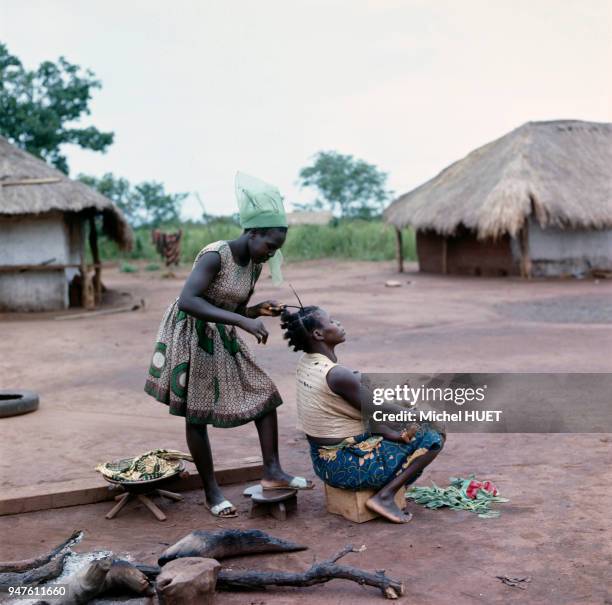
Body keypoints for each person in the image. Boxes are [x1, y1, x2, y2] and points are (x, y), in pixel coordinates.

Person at [145, 172, 312, 518]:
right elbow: (189, 300)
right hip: (190, 335)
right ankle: (212, 492)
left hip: (220, 332)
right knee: (197, 414)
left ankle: (273, 471)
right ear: (252, 234)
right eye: (268, 246)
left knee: (264, 394)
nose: (270, 255)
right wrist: (242, 321)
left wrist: (255, 310)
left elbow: (231, 308)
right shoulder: (215, 256)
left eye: (275, 251)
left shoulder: (253, 265)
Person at [280, 305, 445, 523]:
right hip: (347, 468)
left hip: (324, 463)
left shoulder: (307, 363)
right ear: (318, 334)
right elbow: (378, 408)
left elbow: (359, 409)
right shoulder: (337, 374)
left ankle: (385, 478)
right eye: (331, 321)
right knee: (433, 434)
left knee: (390, 415)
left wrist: (390, 428)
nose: (338, 323)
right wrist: (416, 413)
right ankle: (384, 497)